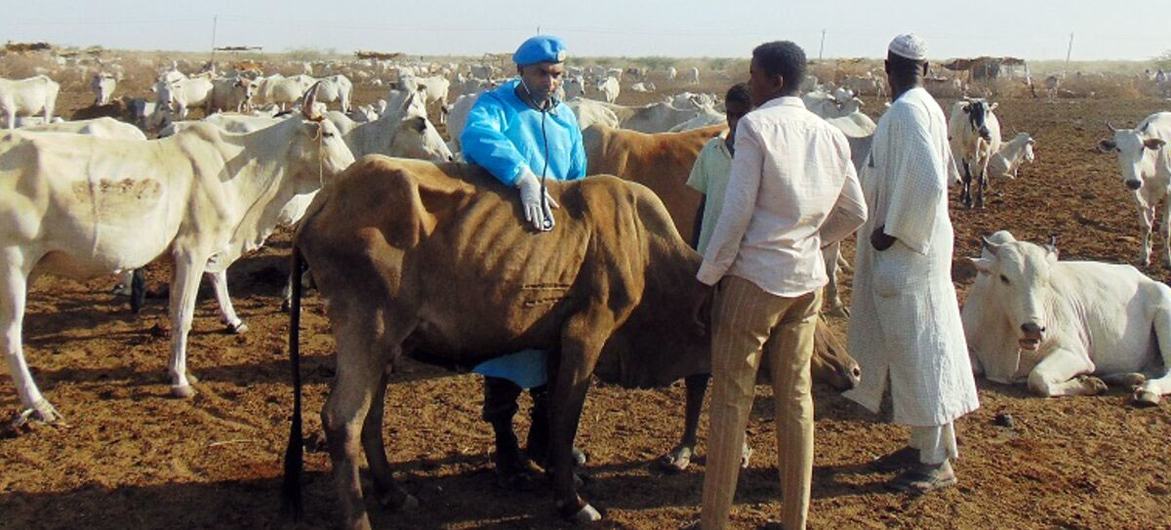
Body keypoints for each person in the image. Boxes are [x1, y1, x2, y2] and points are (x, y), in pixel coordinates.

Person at [695, 41, 867, 530]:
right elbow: (855, 211)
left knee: (731, 400)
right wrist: (810, 241)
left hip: (754, 281)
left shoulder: (755, 127)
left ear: (772, 81)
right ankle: (796, 520)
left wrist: (707, 277)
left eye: (753, 75)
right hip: (805, 286)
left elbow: (734, 214)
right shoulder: (830, 135)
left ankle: (714, 521)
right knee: (796, 400)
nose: (748, 84)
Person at [843, 33, 979, 493]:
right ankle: (927, 445)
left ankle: (936, 462)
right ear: (926, 67)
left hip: (907, 252)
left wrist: (892, 231)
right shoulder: (927, 107)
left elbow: (929, 181)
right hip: (917, 250)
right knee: (919, 350)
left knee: (920, 352)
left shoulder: (905, 112)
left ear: (888, 66)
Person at [459, 34, 588, 488]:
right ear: (521, 71)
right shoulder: (496, 106)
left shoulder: (566, 116)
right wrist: (522, 175)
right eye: (541, 73)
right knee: (508, 339)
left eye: (556, 74)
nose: (550, 82)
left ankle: (545, 437)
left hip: (555, 245)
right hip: (508, 241)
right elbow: (475, 136)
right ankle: (504, 443)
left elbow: (577, 176)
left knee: (556, 341)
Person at [661, 83, 754, 473]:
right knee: (698, 358)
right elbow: (703, 207)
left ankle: (738, 441)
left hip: (747, 270)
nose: (735, 122)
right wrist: (696, 258)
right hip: (710, 265)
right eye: (730, 114)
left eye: (742, 115)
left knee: (739, 361)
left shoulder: (762, 156)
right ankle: (687, 439)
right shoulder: (713, 152)